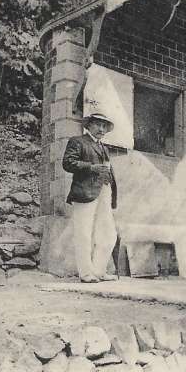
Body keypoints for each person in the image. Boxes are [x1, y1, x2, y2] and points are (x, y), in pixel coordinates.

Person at [62, 112, 118, 283]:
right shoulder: (77, 141)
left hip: (104, 192)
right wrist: (91, 167)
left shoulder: (104, 148)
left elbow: (108, 171)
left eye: (104, 126)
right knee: (84, 233)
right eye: (98, 125)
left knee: (108, 233)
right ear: (89, 126)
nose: (101, 129)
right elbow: (67, 163)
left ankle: (99, 271)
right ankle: (86, 273)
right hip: (84, 192)